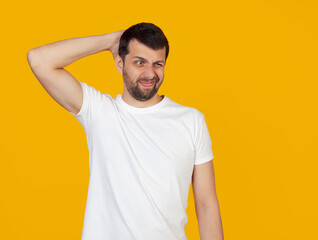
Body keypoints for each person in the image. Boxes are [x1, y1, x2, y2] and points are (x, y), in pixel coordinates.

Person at [27, 22, 224, 240]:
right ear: (120, 63)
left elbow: (206, 204)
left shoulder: (191, 120)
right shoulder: (99, 111)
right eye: (140, 62)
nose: (150, 73)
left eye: (158, 64)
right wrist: (110, 41)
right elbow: (39, 60)